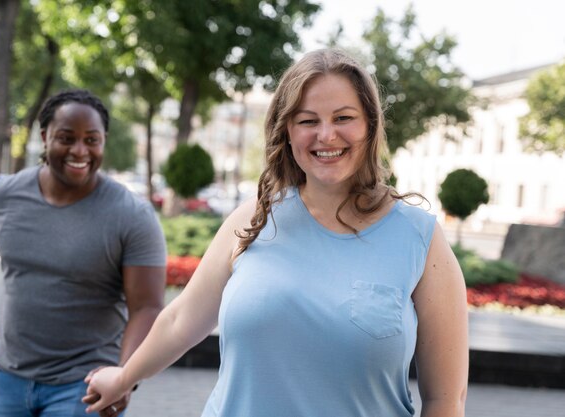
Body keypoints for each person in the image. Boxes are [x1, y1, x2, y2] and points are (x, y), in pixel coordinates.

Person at [84, 49, 468, 416]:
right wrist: (124, 376)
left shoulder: (419, 237)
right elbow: (181, 320)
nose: (326, 135)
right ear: (286, 131)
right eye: (307, 120)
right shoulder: (251, 220)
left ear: (370, 125)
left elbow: (446, 401)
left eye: (343, 118)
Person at [0, 89, 167, 417]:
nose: (80, 151)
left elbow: (147, 306)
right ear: (44, 137)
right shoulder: (3, 195)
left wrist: (125, 377)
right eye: (66, 138)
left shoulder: (130, 215)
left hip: (83, 387)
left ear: (103, 141)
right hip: (7, 377)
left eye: (91, 140)